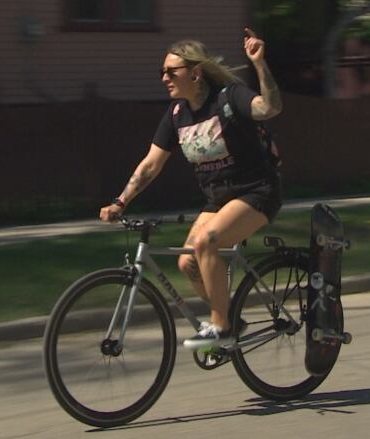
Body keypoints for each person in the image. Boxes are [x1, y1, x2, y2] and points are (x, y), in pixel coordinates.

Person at [99, 28, 283, 350]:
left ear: (196, 72)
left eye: (172, 71)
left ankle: (221, 326)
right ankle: (230, 318)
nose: (164, 78)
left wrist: (260, 64)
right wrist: (121, 200)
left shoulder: (229, 97)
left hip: (257, 191)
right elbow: (151, 164)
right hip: (218, 199)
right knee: (188, 262)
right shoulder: (176, 115)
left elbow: (270, 108)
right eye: (162, 72)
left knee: (206, 242)